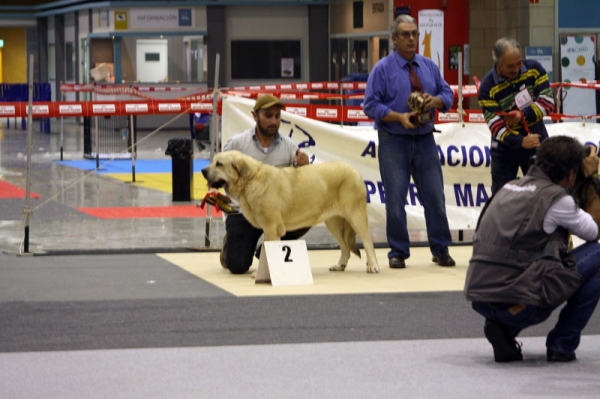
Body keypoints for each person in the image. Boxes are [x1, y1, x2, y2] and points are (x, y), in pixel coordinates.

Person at [464, 136, 600, 363]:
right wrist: (590, 180)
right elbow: (595, 231)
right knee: (597, 255)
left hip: (481, 297)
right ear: (570, 174)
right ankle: (561, 344)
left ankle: (504, 328)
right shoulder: (556, 199)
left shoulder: (509, 186)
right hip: (517, 303)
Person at [362, 14, 456, 269]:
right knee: (395, 199)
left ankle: (440, 249)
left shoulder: (428, 66)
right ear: (394, 39)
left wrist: (434, 101)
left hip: (425, 139)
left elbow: (448, 94)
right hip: (394, 139)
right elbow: (370, 105)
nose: (412, 38)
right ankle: (398, 251)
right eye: (405, 34)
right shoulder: (382, 69)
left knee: (435, 196)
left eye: (414, 33)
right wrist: (399, 117)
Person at [214, 94, 310, 274]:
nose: (273, 121)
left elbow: (299, 184)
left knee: (307, 216)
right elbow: (219, 172)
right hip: (242, 212)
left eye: (277, 116)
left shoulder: (289, 146)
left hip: (276, 214)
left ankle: (266, 250)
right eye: (268, 115)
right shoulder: (237, 143)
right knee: (237, 266)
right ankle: (231, 244)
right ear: (255, 116)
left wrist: (304, 167)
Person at [478, 37, 555, 195]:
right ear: (497, 64)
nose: (517, 69)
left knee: (543, 194)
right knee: (501, 199)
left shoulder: (534, 68)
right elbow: (496, 127)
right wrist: (521, 141)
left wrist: (523, 115)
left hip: (536, 143)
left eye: (519, 63)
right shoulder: (487, 86)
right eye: (510, 66)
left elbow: (548, 103)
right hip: (504, 151)